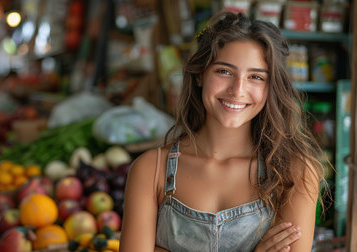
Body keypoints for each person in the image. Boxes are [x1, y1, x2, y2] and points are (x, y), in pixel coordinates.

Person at [119, 11, 326, 252]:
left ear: (271, 88)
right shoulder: (150, 170)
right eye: (224, 71)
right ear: (199, 74)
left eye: (256, 77)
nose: (238, 90)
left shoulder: (294, 173)